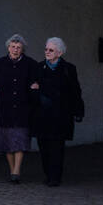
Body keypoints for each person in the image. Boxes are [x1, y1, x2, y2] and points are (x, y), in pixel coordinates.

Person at [0, 34, 41, 184]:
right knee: (7, 142)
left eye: (18, 48)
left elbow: (37, 80)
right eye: (13, 47)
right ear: (8, 48)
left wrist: (36, 87)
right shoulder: (0, 63)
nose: (15, 50)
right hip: (5, 107)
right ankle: (12, 168)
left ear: (22, 49)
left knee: (19, 140)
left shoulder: (30, 64)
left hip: (22, 107)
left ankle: (16, 171)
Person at [31, 36, 85, 187]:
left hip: (60, 115)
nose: (47, 52)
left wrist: (78, 110)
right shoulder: (39, 67)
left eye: (51, 50)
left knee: (56, 146)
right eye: (46, 49)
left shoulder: (68, 69)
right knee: (43, 146)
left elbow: (72, 91)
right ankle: (48, 174)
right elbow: (33, 88)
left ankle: (55, 177)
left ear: (59, 53)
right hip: (42, 114)